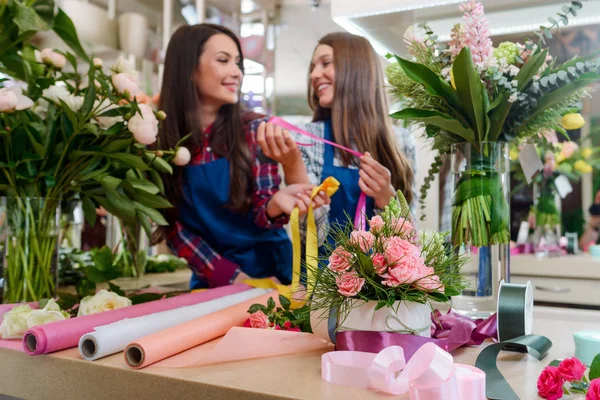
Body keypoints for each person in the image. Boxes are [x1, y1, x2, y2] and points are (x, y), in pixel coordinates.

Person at [156, 24, 329, 289]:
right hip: (213, 279)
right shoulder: (159, 144)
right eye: (223, 60)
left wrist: (276, 203)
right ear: (189, 69)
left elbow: (262, 210)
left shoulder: (253, 131)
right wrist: (232, 278)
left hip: (272, 274)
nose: (236, 72)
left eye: (238, 63)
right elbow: (173, 228)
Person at [257, 32, 415, 251]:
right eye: (313, 67)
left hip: (383, 284)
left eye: (325, 63)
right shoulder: (307, 138)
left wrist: (385, 197)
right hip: (321, 283)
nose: (314, 74)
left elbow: (408, 242)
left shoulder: (401, 141)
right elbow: (311, 239)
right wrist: (294, 167)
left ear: (357, 69)